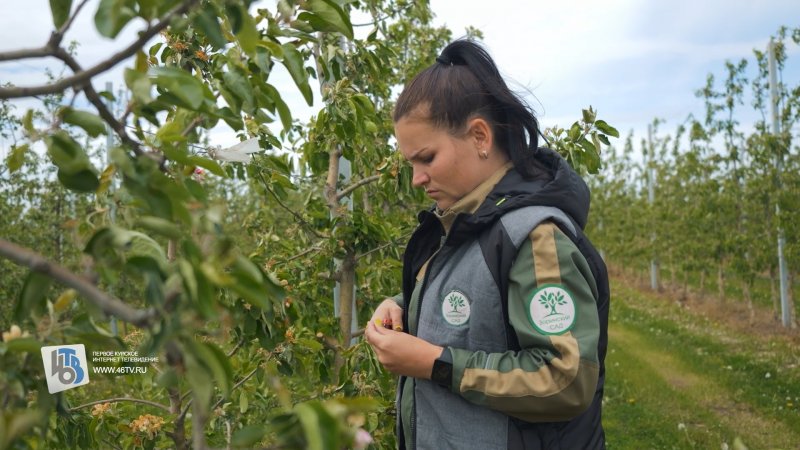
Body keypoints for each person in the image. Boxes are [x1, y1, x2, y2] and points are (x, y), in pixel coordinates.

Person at [363, 38, 609, 450]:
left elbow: (565, 379)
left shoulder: (534, 239)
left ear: (479, 136)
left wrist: (434, 364)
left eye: (426, 158)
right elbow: (484, 311)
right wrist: (404, 307)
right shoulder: (468, 224)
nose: (417, 179)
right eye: (411, 164)